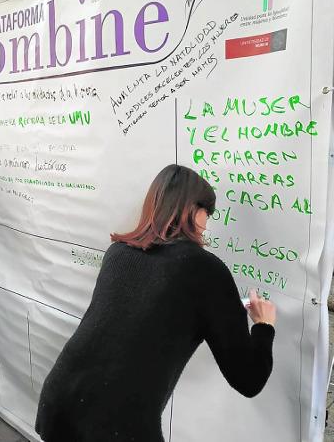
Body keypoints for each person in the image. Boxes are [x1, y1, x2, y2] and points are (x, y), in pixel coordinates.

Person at [35, 164, 276, 442]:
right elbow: (248, 378)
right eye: (207, 213)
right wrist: (264, 325)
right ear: (192, 210)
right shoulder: (205, 270)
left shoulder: (118, 252)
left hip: (60, 400)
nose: (207, 223)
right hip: (115, 425)